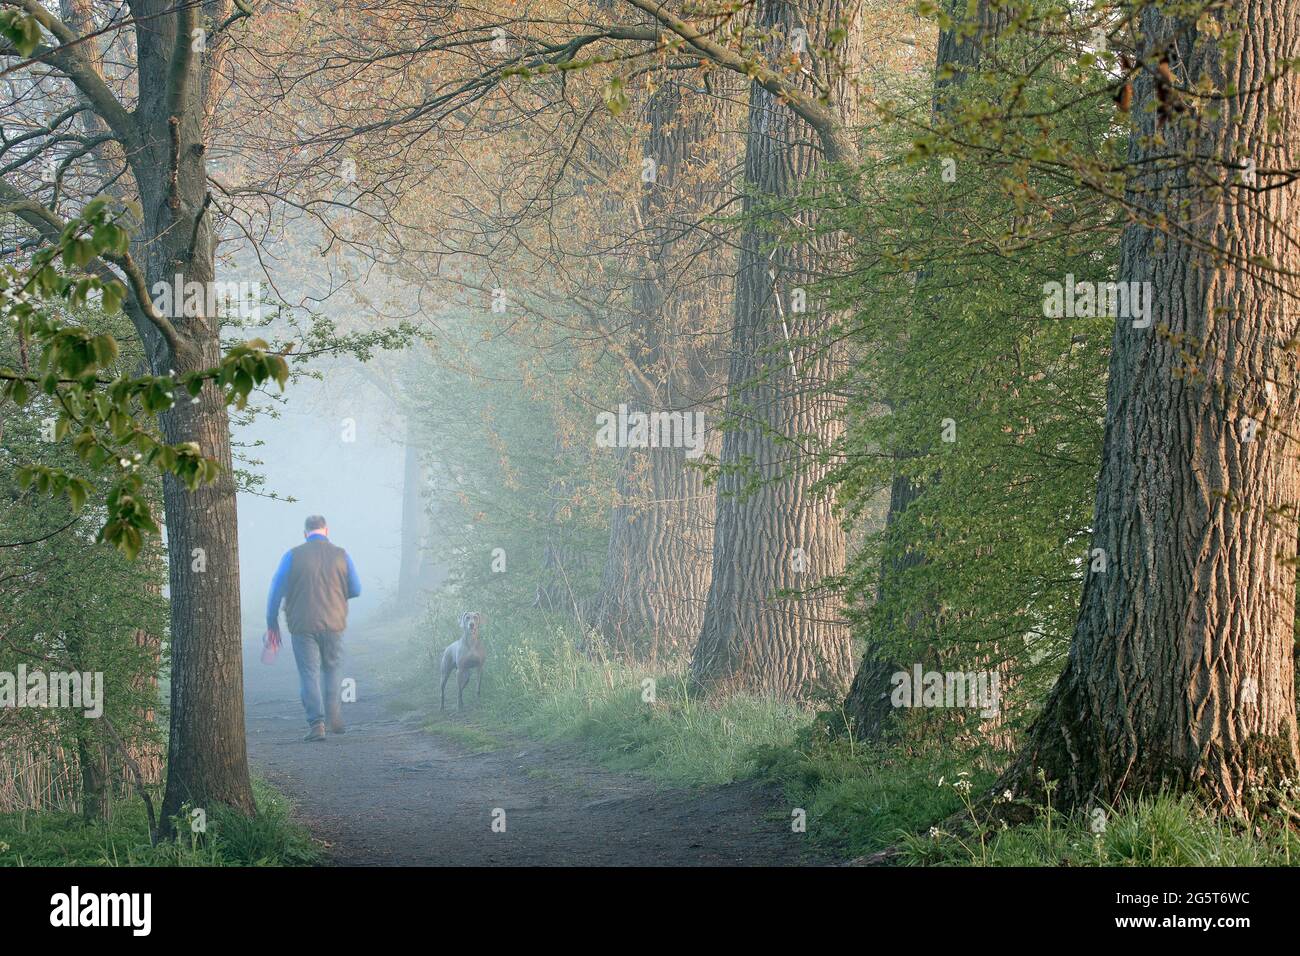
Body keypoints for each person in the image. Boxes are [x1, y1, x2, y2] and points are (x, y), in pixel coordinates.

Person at [266, 515, 361, 741]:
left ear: (305, 533)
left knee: (308, 673)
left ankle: (317, 724)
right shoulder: (342, 555)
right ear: (326, 531)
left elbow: (276, 589)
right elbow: (355, 588)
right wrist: (336, 596)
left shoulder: (292, 556)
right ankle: (334, 713)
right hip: (334, 623)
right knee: (332, 668)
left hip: (302, 624)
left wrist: (272, 622)